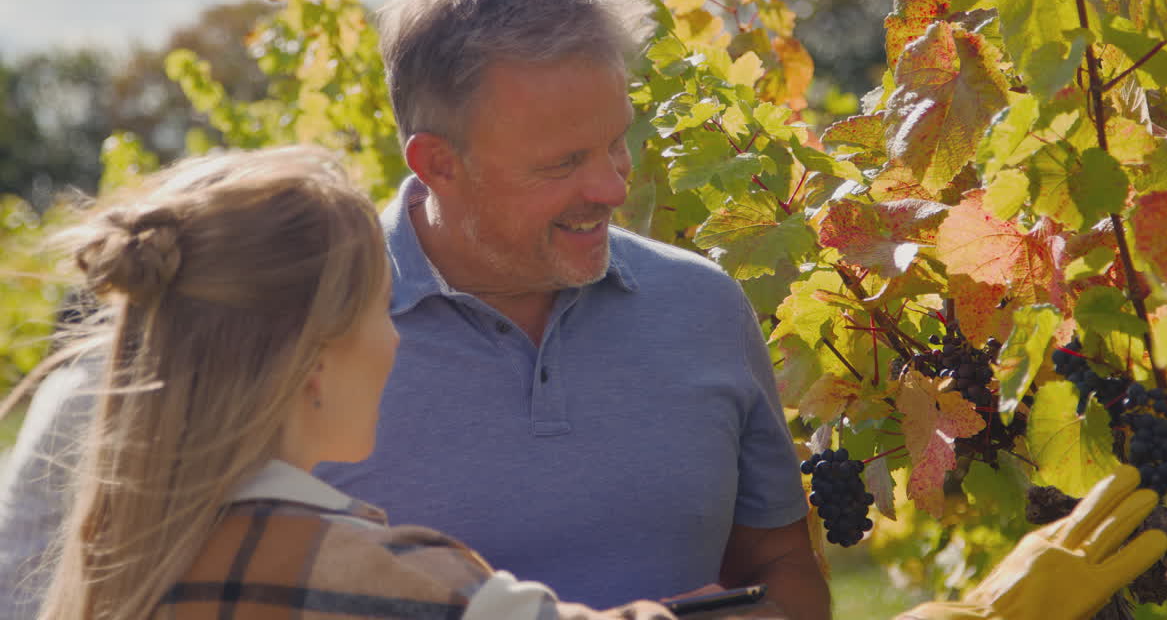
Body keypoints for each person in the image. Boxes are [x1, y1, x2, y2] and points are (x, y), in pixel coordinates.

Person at [311, 0, 829, 620]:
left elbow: (781, 564)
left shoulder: (702, 306)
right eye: (563, 163)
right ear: (437, 163)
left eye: (617, 141)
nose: (613, 189)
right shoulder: (303, 334)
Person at [26, 146, 690, 620]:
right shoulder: (390, 583)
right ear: (312, 362)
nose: (396, 338)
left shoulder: (115, 564)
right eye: (381, 309)